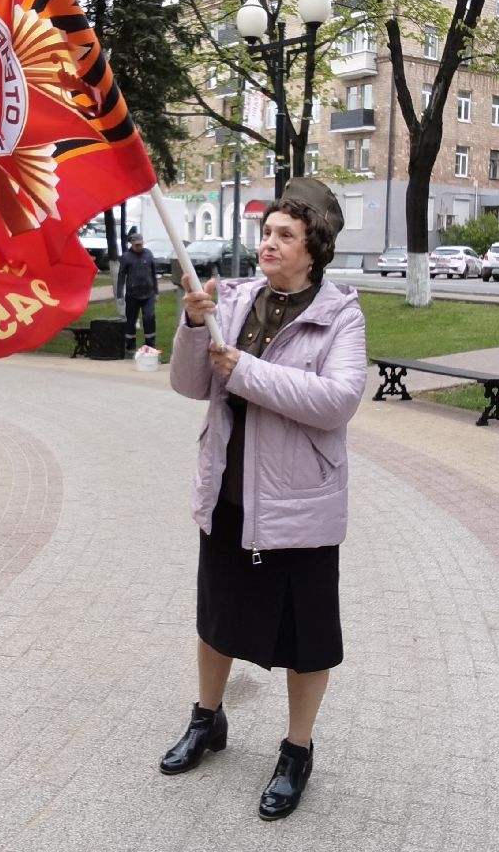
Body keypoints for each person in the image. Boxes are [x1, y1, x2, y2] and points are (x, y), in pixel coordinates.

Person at [163, 177, 366, 822]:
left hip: (299, 503)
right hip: (229, 491)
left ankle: (296, 751)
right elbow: (190, 385)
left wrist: (246, 371)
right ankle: (207, 720)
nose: (269, 243)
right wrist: (192, 325)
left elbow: (337, 402)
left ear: (314, 248)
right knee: (216, 617)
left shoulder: (340, 315)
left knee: (307, 639)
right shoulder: (234, 300)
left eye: (285, 234)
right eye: (267, 232)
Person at [116, 230, 158, 355]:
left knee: (149, 317)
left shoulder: (148, 254)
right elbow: (121, 276)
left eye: (140, 244)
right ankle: (130, 346)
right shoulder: (126, 257)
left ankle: (150, 345)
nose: (139, 247)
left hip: (148, 294)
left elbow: (154, 273)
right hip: (132, 295)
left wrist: (156, 291)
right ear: (132, 244)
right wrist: (119, 294)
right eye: (136, 245)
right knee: (131, 320)